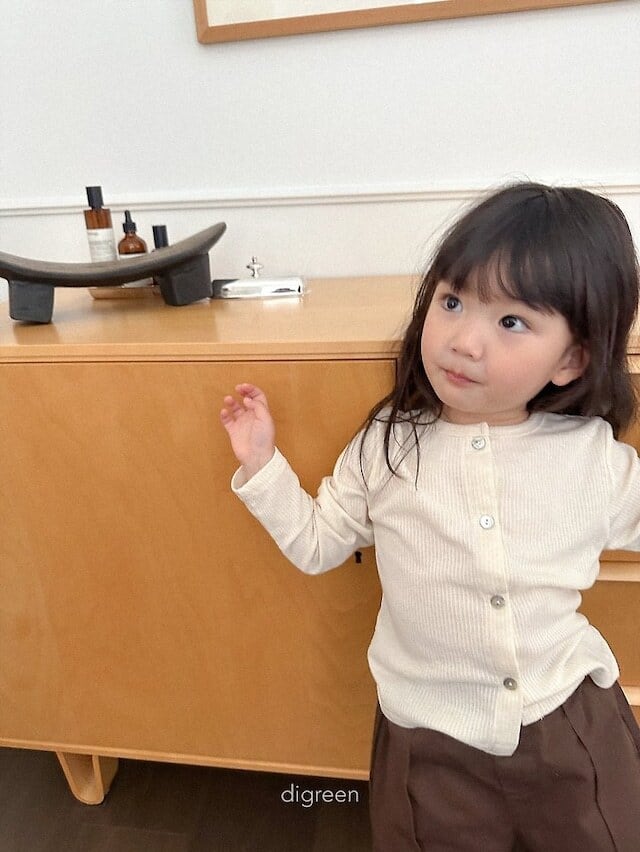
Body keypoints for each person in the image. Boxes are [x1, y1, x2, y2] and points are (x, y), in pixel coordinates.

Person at [220, 182, 640, 851]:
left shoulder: (591, 458)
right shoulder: (388, 444)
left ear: (571, 359)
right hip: (427, 740)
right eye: (452, 302)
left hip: (566, 720)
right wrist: (263, 465)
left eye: (511, 322)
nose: (464, 341)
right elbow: (317, 543)